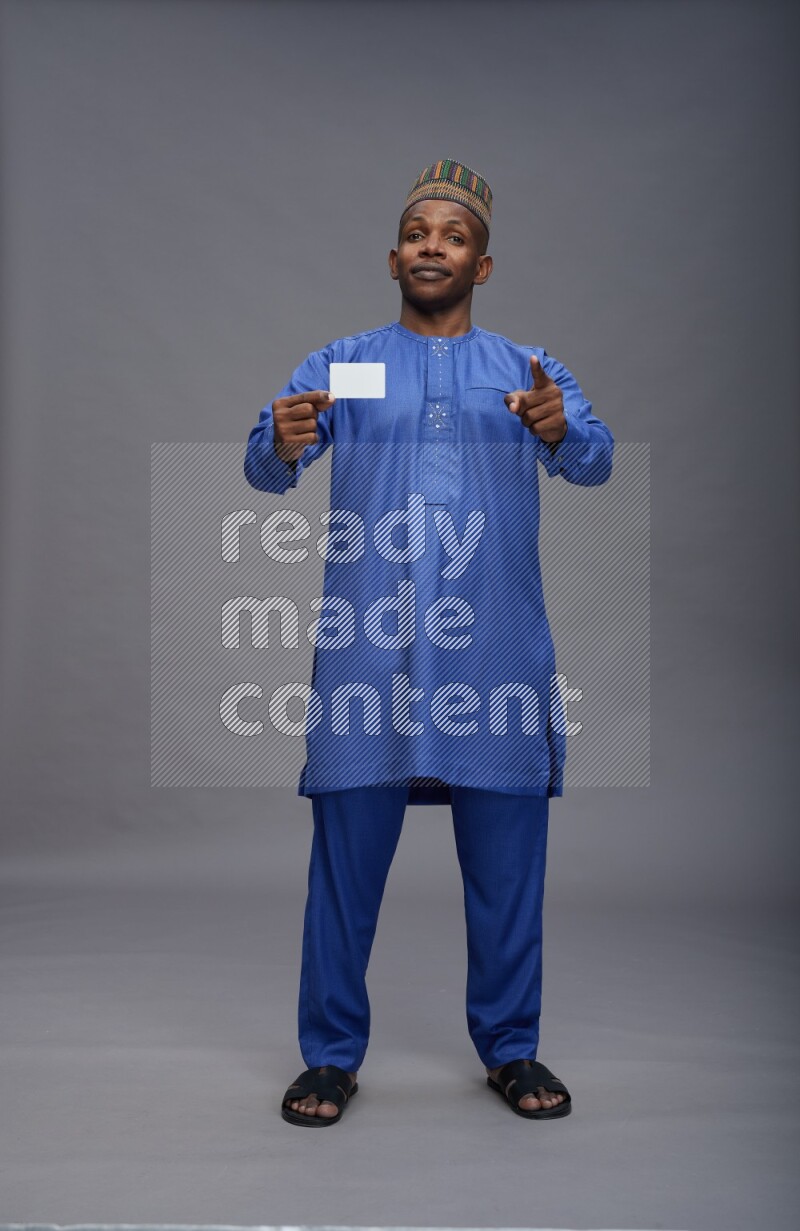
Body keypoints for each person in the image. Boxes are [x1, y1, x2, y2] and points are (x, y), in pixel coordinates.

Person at [244, 160, 614, 1125]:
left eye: (453, 235)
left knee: (507, 866)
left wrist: (562, 427)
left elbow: (596, 458)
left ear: (482, 264)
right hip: (370, 649)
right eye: (417, 233)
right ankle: (328, 1055)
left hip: (494, 651)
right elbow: (270, 459)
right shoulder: (351, 363)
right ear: (394, 256)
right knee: (345, 863)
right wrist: (282, 439)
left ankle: (512, 1047)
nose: (432, 246)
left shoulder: (525, 369)